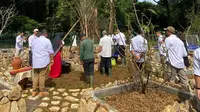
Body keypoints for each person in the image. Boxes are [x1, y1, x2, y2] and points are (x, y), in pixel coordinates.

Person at [164, 26, 189, 91]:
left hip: (171, 62)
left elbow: (165, 50)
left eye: (166, 31)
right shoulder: (180, 41)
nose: (165, 32)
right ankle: (186, 93)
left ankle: (170, 95)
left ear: (169, 32)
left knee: (171, 79)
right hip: (180, 63)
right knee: (183, 79)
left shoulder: (168, 39)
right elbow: (185, 54)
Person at [31, 30, 54, 97]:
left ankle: (34, 91)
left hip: (35, 61)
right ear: (46, 34)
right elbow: (51, 52)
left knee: (35, 76)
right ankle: (42, 91)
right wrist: (52, 59)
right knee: (42, 76)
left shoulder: (34, 40)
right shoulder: (47, 41)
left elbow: (32, 50)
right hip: (43, 61)